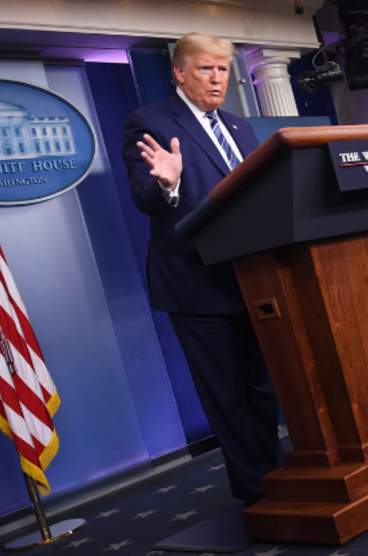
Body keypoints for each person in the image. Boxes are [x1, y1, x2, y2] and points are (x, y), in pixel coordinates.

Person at [121, 33, 281, 507]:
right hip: (196, 283)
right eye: (205, 69)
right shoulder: (148, 122)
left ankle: (277, 477)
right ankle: (257, 495)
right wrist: (166, 184)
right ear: (179, 72)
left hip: (252, 276)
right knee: (225, 395)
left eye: (223, 70)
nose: (217, 79)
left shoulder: (239, 127)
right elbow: (144, 197)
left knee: (263, 386)